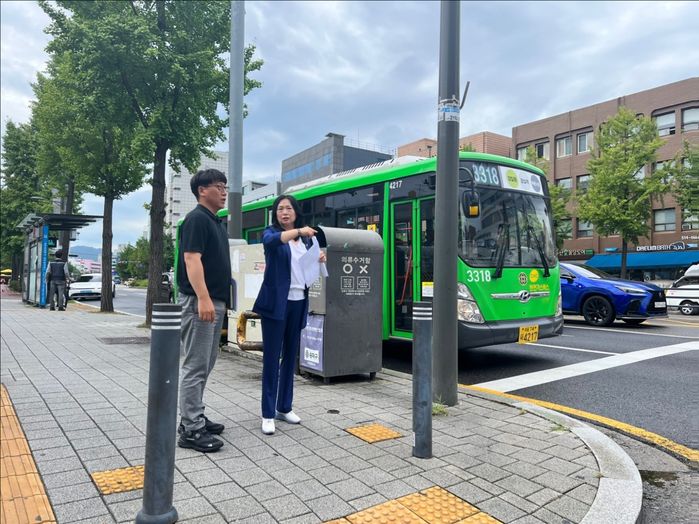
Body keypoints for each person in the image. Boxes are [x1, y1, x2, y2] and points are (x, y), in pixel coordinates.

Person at [253, 194, 326, 435]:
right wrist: (300, 231)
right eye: (280, 209)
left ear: (296, 212)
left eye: (289, 208)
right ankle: (267, 413)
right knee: (272, 358)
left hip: (298, 302)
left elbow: (305, 270)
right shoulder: (272, 233)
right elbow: (271, 242)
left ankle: (284, 407)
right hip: (276, 304)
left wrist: (318, 259)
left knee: (290, 357)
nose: (284, 212)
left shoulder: (304, 241)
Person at [176, 168, 231, 453]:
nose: (224, 192)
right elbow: (191, 259)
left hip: (213, 301)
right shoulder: (197, 219)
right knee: (196, 364)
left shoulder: (215, 221)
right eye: (219, 186)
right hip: (200, 301)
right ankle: (191, 429)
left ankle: (194, 414)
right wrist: (204, 298)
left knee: (206, 362)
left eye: (225, 187)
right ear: (202, 190)